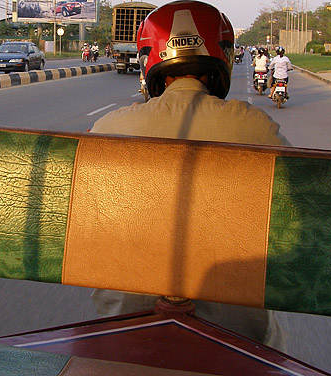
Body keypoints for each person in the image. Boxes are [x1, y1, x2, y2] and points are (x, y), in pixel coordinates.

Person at [90, 0, 287, 350]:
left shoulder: (108, 127)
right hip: (236, 336)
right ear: (222, 58)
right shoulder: (256, 127)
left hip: (120, 329)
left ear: (149, 61)